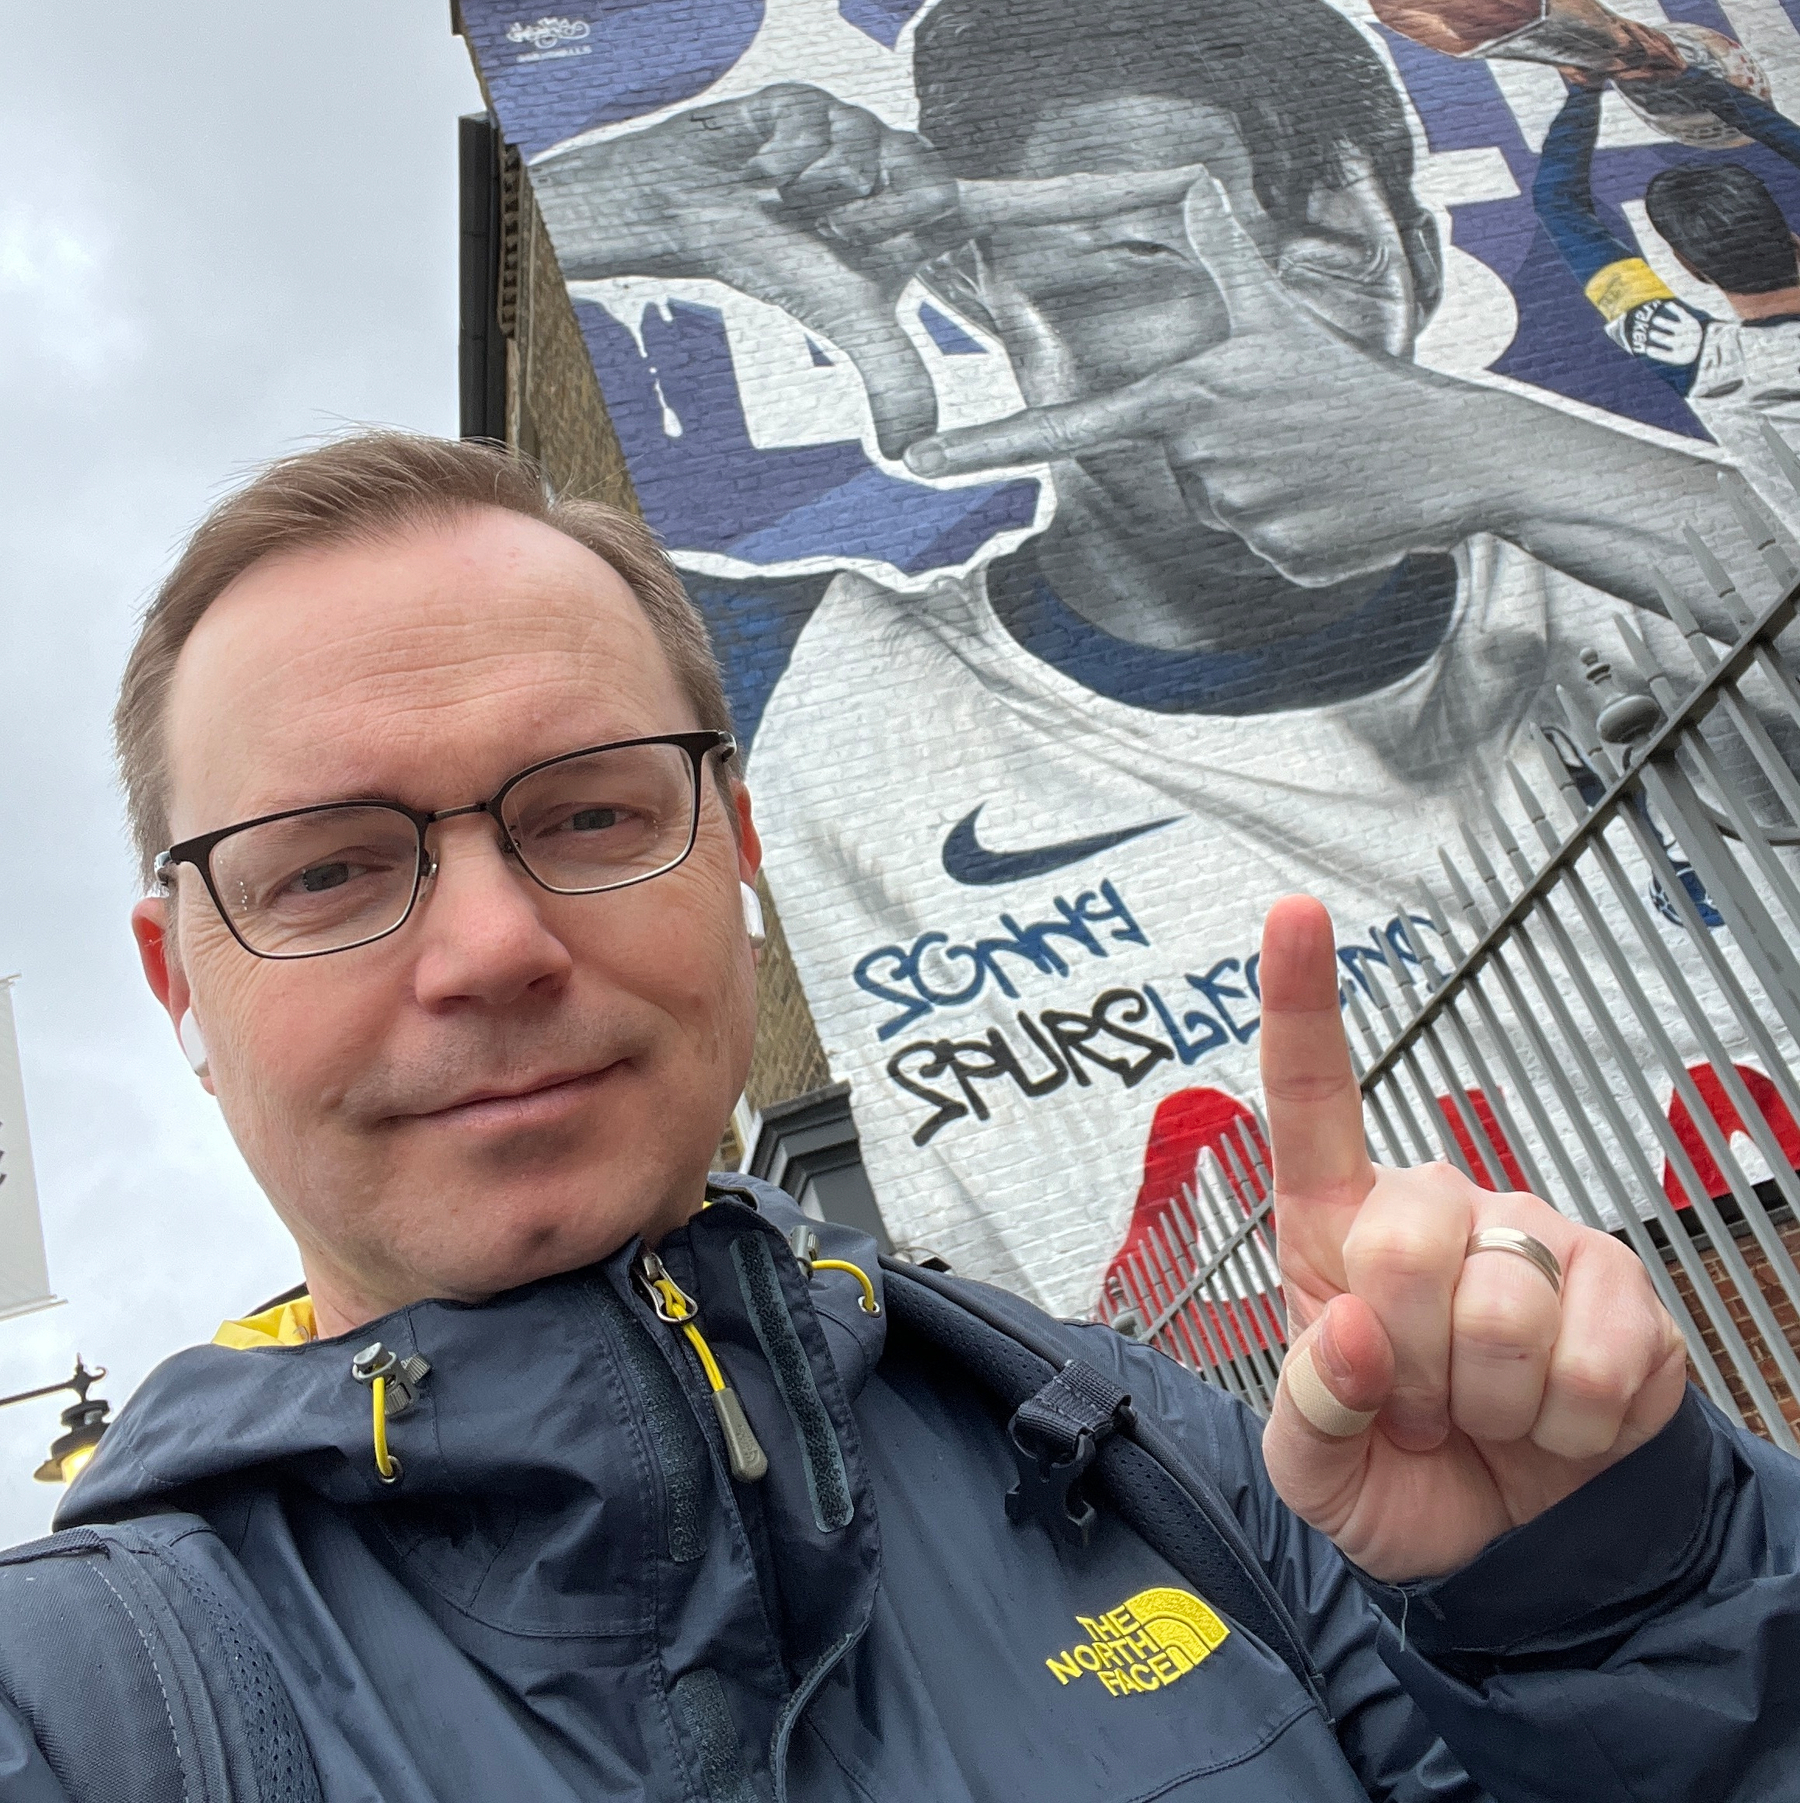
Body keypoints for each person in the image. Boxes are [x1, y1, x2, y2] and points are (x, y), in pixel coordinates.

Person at [2, 428, 1796, 1802]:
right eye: (326, 869)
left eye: (595, 814)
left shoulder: (1147, 1455)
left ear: (742, 856)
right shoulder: (80, 1711)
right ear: (182, 990)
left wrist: (1607, 1601)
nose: (492, 946)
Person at [530, 0, 1797, 1309]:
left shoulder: (1655, 576)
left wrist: (1538, 465)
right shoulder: (813, 683)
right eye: (1149, 251)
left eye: (1340, 242)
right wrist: (602, 199)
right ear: (988, 297)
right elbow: (356, 678)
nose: (1303, 320)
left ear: (1420, 257)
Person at [1532, 68, 1800, 515]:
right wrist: (1696, 79)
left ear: (1690, 268)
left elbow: (1557, 204)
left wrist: (1584, 92)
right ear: (1794, 240)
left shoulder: (1701, 361)